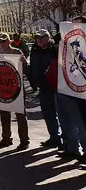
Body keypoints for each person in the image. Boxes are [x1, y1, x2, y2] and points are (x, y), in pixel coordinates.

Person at [0, 33, 30, 150]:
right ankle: (6, 138)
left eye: (3, 41)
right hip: (4, 89)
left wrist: (23, 61)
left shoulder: (17, 52)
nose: (1, 44)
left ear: (9, 41)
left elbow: (26, 69)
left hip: (17, 88)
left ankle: (24, 140)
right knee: (4, 114)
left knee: (20, 114)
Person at [55, 16, 86, 162]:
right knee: (70, 121)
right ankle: (73, 149)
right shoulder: (66, 43)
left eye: (77, 26)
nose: (74, 29)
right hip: (69, 89)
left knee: (82, 125)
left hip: (82, 92)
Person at [29, 29, 62, 148]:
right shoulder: (35, 50)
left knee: (58, 113)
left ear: (47, 37)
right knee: (47, 113)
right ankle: (54, 137)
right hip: (42, 86)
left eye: (41, 38)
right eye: (37, 38)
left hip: (54, 86)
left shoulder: (54, 49)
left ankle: (62, 139)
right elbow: (32, 66)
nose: (38, 41)